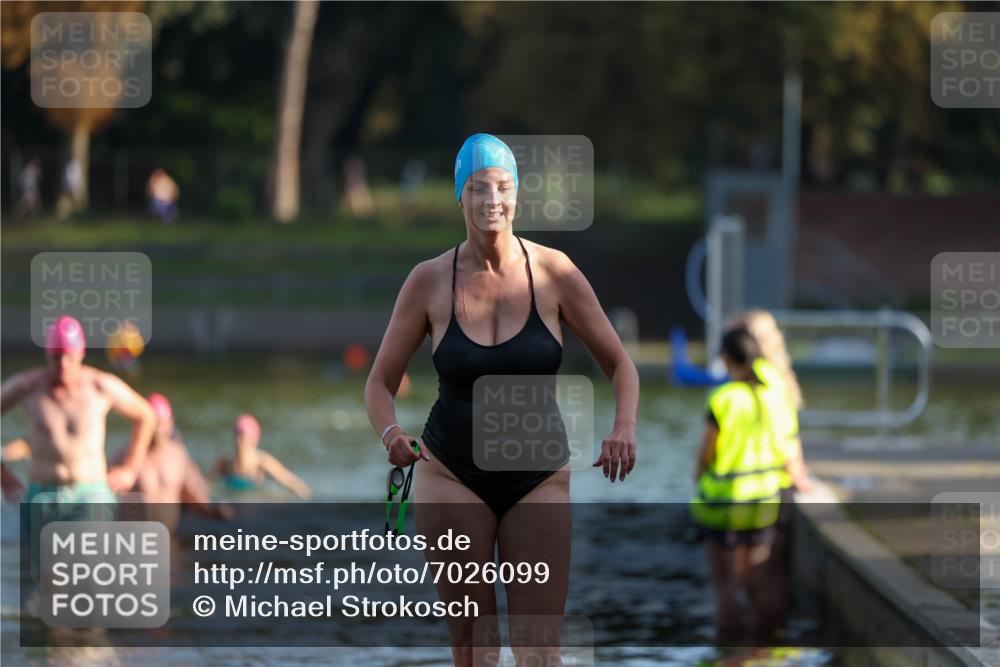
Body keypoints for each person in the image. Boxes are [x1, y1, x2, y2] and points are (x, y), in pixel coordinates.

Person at [365, 133, 639, 666]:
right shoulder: (428, 281)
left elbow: (620, 364)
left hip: (537, 476)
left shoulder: (555, 272)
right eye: (478, 188)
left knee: (539, 651)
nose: (492, 199)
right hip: (450, 475)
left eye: (503, 187)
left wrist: (623, 426)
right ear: (459, 197)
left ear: (517, 195)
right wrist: (392, 435)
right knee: (475, 651)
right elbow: (378, 382)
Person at [690, 327, 809, 642]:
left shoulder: (724, 398)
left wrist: (698, 470)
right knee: (760, 581)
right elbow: (789, 443)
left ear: (726, 358)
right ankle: (763, 649)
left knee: (727, 587)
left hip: (724, 505)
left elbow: (707, 452)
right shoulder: (776, 394)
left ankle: (729, 654)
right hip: (763, 503)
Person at [0, 315, 156, 507]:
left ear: (80, 354)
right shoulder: (28, 387)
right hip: (42, 494)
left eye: (69, 357)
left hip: (90, 494)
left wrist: (130, 469)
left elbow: (146, 415)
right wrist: (3, 477)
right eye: (56, 357)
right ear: (48, 355)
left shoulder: (100, 386)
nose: (63, 365)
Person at [112, 393, 230, 531]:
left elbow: (196, 496)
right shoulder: (127, 456)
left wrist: (216, 512)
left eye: (160, 423)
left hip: (169, 540)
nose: (156, 429)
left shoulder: (178, 455)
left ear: (170, 423)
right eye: (152, 423)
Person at [211, 414, 311, 499]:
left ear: (253, 439)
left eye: (242, 435)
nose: (238, 440)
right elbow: (206, 486)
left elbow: (292, 483)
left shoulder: (262, 462)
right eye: (236, 434)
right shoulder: (224, 463)